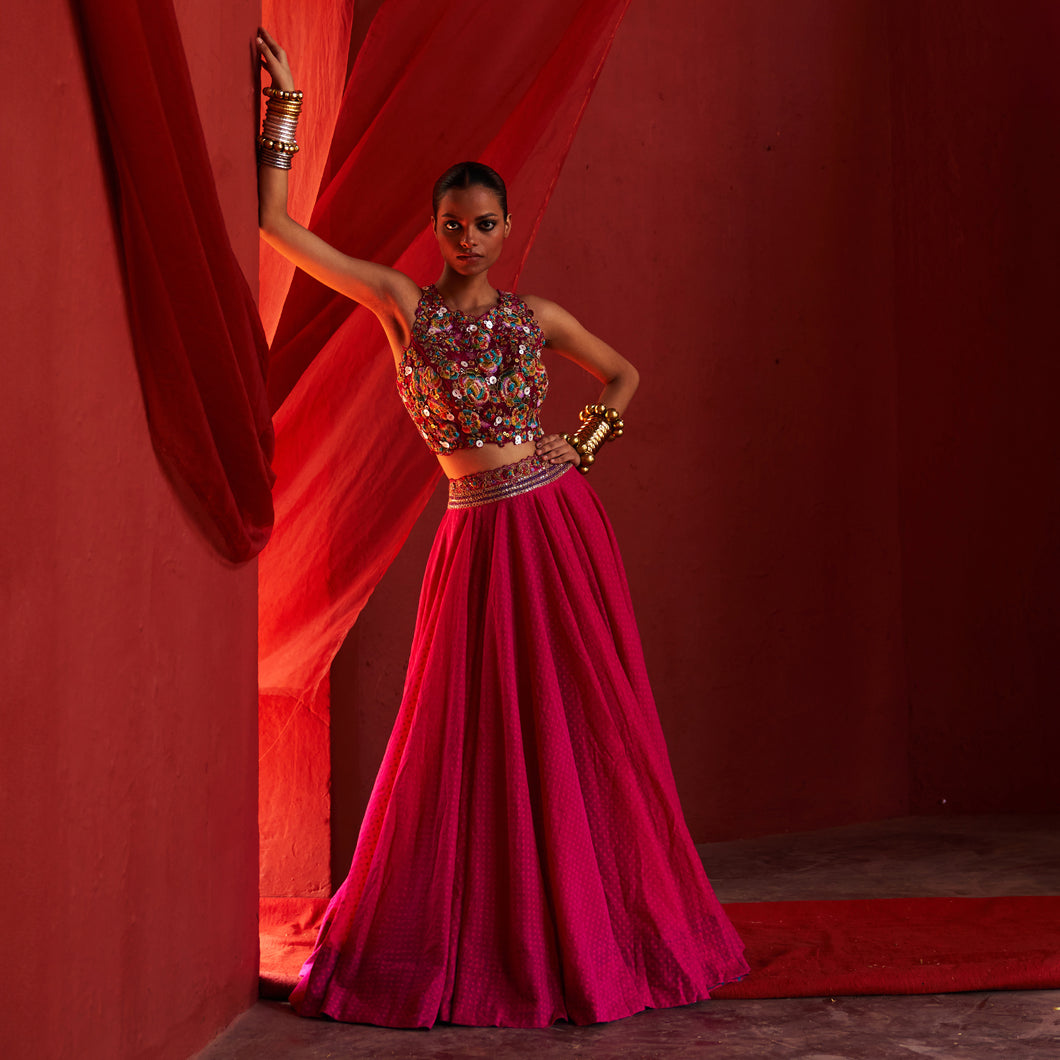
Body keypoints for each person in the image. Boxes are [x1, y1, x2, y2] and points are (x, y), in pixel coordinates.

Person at [256, 29, 748, 1029]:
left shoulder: (539, 317)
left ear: (506, 224)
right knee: (473, 721)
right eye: (451, 223)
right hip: (475, 532)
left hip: (556, 523)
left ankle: (592, 921)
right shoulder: (404, 308)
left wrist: (585, 444)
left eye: (483, 223)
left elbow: (626, 375)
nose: (467, 239)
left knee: (578, 716)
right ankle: (497, 927)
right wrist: (287, 112)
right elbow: (275, 227)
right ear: (434, 229)